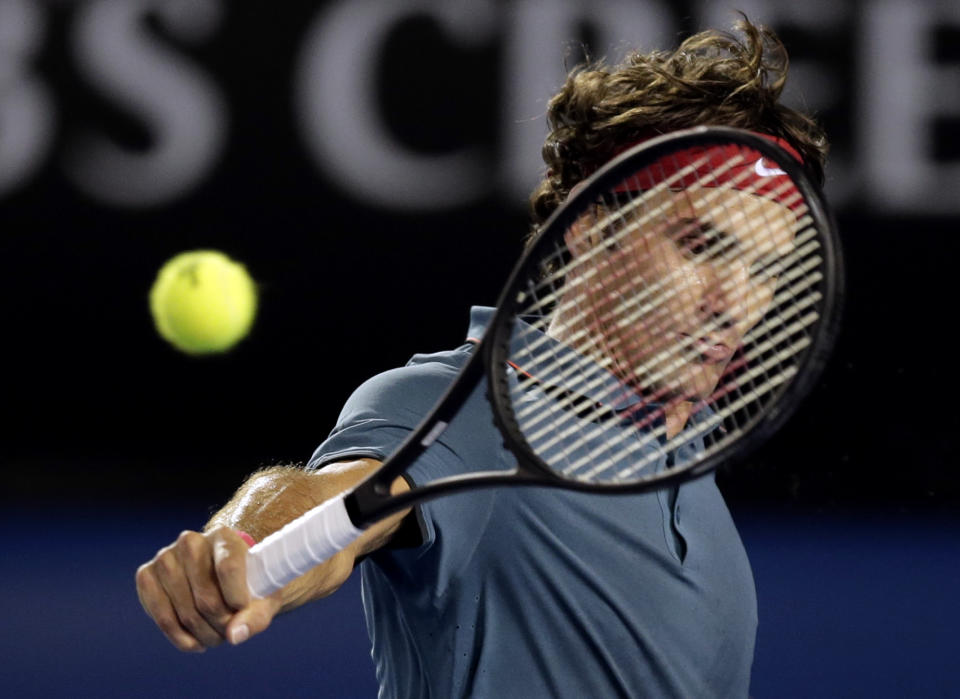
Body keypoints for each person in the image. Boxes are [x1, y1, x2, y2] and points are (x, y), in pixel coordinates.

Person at [136, 17, 827, 698]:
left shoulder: (680, 439)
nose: (734, 302)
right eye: (701, 246)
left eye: (765, 269)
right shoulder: (457, 412)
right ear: (590, 222)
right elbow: (333, 500)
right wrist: (236, 547)